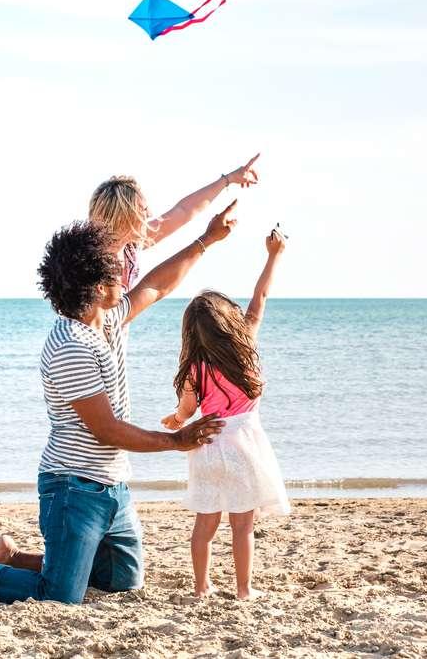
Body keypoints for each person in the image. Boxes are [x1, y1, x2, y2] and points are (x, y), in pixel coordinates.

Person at [0, 203, 239, 603]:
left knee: (123, 581)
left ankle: (14, 557)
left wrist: (206, 240)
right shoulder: (70, 345)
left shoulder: (103, 320)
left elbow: (156, 287)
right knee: (60, 595)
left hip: (111, 486)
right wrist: (177, 440)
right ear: (97, 287)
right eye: (115, 272)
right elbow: (105, 428)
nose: (125, 276)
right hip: (72, 486)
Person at [162, 227, 290, 600]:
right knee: (242, 525)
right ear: (228, 322)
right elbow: (260, 296)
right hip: (244, 445)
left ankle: (201, 587)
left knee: (205, 523)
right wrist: (273, 255)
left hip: (208, 445)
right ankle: (244, 590)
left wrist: (174, 421)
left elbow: (185, 412)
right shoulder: (246, 342)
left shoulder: (194, 371)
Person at [89, 153, 261, 290]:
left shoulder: (129, 246)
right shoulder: (88, 260)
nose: (150, 214)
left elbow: (183, 211)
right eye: (142, 209)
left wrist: (228, 179)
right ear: (123, 216)